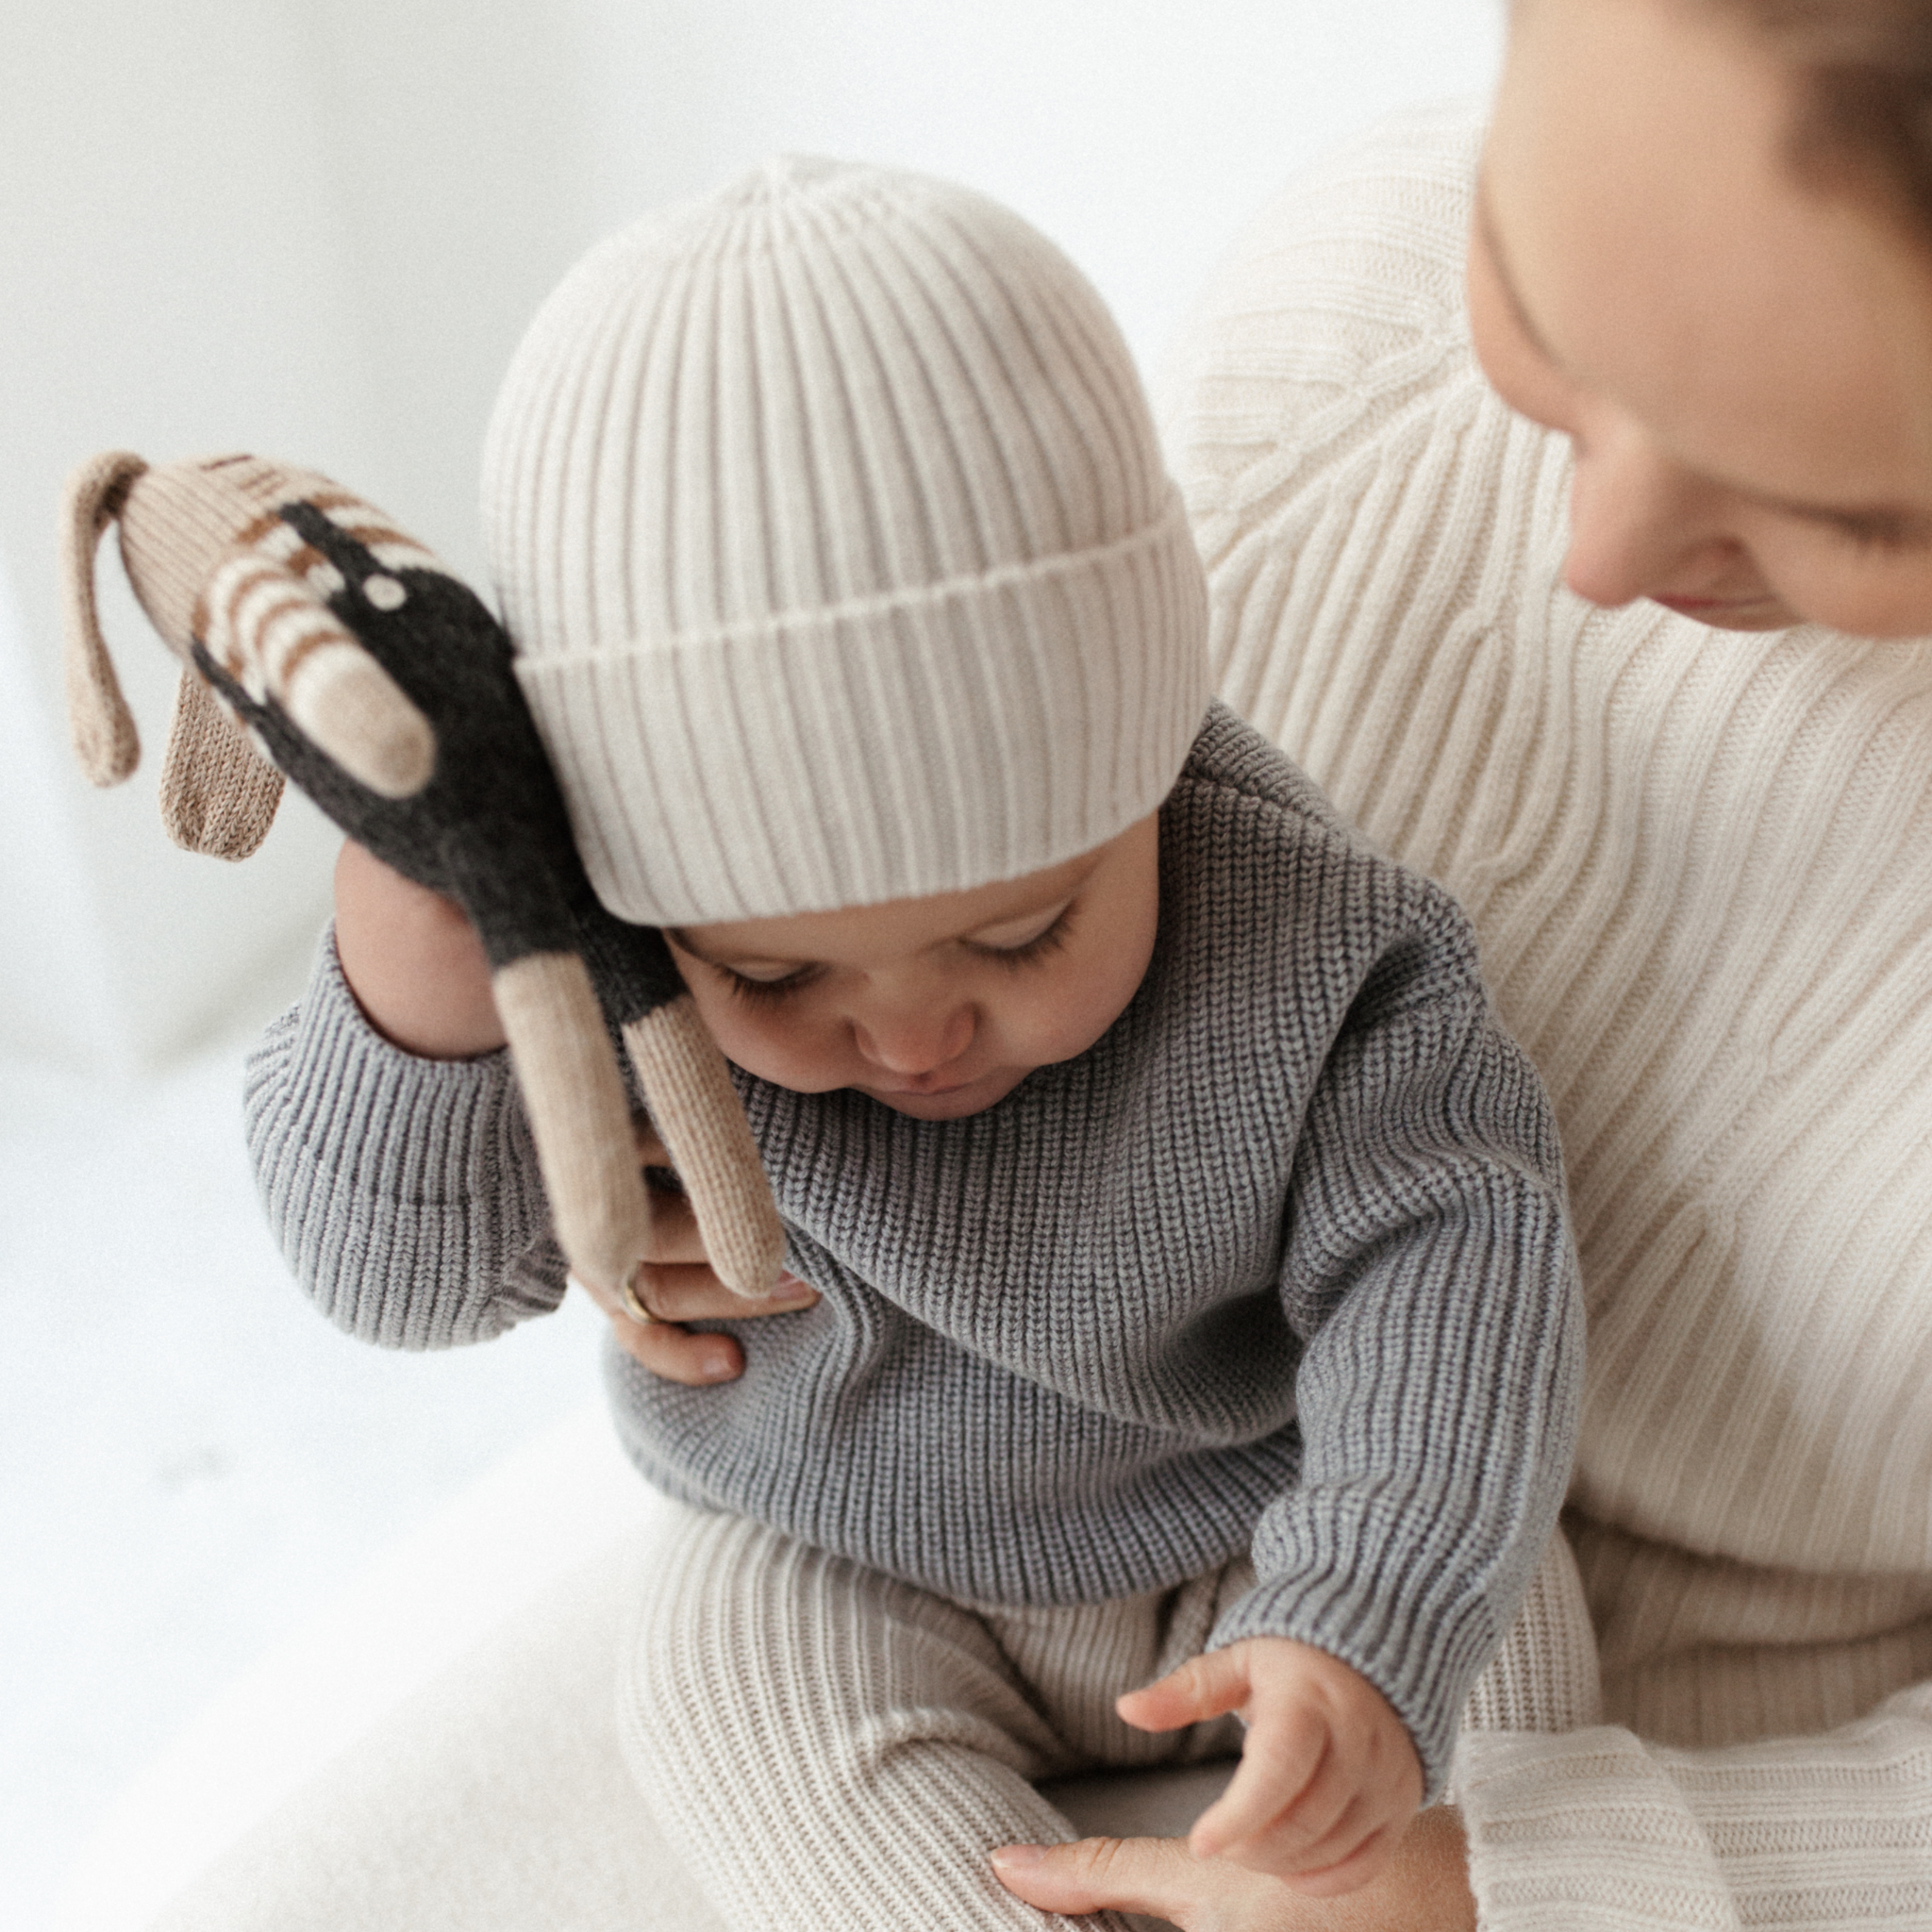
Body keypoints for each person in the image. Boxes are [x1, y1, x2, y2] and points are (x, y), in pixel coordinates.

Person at [241, 158, 1582, 1930]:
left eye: (1024, 931)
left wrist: (1368, 1613)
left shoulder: (1313, 931)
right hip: (842, 1543)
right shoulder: (605, 951)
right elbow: (400, 1284)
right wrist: (423, 965)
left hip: (1256, 1499)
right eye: (777, 977)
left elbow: (1459, 1260)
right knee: (719, 1681)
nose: (914, 1029)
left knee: (1520, 1639)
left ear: (1151, 740)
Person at [987, 0, 1932, 1925]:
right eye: (1538, 304)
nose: (1595, 550)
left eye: (1850, 514)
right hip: (1124, 1478)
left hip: (1716, 1778)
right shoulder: (1355, 313)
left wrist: (1524, 1886)